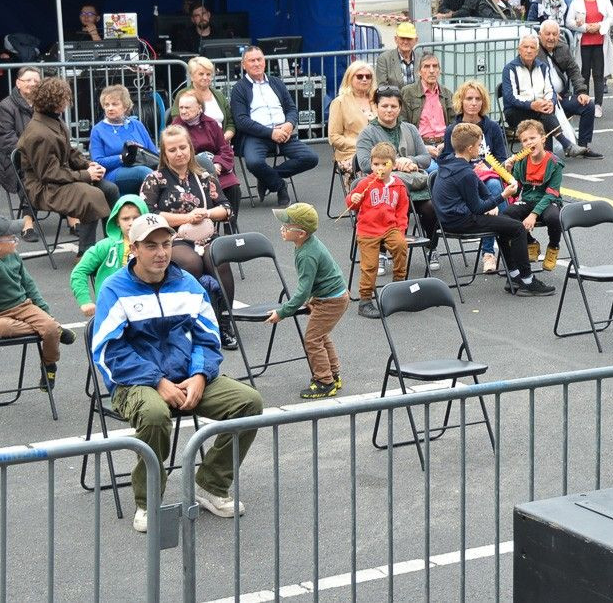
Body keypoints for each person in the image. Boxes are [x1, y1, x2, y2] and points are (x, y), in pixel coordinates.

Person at [92, 212, 264, 534]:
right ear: (134, 248)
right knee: (155, 414)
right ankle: (148, 501)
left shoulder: (187, 283)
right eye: (151, 246)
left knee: (249, 402)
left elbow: (208, 337)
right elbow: (109, 351)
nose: (161, 253)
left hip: (187, 375)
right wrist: (157, 382)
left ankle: (212, 485)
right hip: (134, 382)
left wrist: (199, 375)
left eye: (166, 244)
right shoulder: (114, 289)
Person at [139, 125, 236, 347]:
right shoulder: (154, 179)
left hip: (206, 235)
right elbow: (148, 214)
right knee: (192, 263)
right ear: (164, 154)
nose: (179, 153)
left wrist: (206, 213)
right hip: (172, 238)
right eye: (172, 150)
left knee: (218, 260)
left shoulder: (205, 176)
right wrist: (186, 218)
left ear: (191, 149)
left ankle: (224, 322)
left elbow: (227, 209)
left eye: (183, 147)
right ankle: (193, 320)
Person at [433, 123, 555, 297]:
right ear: (470, 148)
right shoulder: (465, 173)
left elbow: (480, 187)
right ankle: (527, 280)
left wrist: (493, 203)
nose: (480, 148)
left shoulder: (451, 162)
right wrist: (503, 196)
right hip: (459, 221)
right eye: (479, 145)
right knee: (517, 228)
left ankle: (514, 276)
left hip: (449, 218)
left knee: (505, 223)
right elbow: (477, 208)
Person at [0, 214, 77, 389]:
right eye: (12, 238)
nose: (16, 239)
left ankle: (48, 364)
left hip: (24, 306)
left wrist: (44, 310)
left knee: (49, 328)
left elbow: (28, 284)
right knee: (2, 329)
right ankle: (56, 329)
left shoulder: (14, 255)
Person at [17, 76, 120, 256]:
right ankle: (86, 254)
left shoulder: (53, 121)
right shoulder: (39, 133)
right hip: (44, 188)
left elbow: (69, 152)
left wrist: (90, 165)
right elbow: (49, 174)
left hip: (58, 180)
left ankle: (114, 244)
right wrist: (86, 175)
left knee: (110, 189)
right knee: (91, 195)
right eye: (64, 98)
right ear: (55, 102)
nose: (67, 102)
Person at [267, 202, 349, 399]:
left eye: (286, 226)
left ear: (301, 233)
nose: (282, 229)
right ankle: (333, 375)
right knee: (321, 336)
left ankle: (325, 382)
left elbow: (303, 290)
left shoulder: (307, 254)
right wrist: (313, 298)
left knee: (312, 340)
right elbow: (314, 281)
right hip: (330, 297)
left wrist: (283, 312)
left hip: (331, 301)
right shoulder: (306, 244)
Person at [354, 84, 440, 266]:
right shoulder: (367, 133)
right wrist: (394, 164)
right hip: (383, 187)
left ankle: (431, 248)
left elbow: (425, 158)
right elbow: (364, 164)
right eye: (384, 106)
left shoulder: (410, 129)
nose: (389, 110)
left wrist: (410, 160)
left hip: (413, 186)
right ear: (376, 107)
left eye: (393, 106)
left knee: (431, 208)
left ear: (400, 108)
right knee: (385, 207)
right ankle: (381, 252)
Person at [231, 45, 319, 206]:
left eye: (259, 59)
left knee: (311, 158)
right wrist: (270, 133)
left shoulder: (276, 82)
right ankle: (279, 186)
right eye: (252, 61)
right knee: (254, 162)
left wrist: (289, 124)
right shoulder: (239, 88)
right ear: (243, 65)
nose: (256, 63)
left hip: (284, 133)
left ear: (264, 61)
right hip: (257, 136)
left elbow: (291, 109)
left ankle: (267, 177)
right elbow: (241, 120)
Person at [440, 80, 510, 274]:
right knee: (493, 189)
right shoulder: (452, 129)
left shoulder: (492, 127)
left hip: (488, 174)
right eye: (469, 98)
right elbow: (446, 159)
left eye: (478, 99)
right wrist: (468, 168)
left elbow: (501, 158)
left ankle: (489, 251)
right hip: (463, 178)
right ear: (461, 101)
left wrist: (486, 166)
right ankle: (505, 243)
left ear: (483, 102)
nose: (473, 103)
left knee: (494, 185)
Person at [346, 142, 410, 319]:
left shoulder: (399, 186)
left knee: (400, 245)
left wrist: (400, 231)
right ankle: (365, 301)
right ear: (371, 164)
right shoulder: (365, 183)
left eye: (384, 164)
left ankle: (398, 287)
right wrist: (353, 198)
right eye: (376, 164)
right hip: (368, 229)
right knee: (370, 265)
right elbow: (351, 205)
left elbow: (402, 211)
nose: (379, 168)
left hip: (390, 227)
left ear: (393, 165)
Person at [70, 194, 148, 318]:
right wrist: (85, 301)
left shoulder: (157, 245)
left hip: (147, 306)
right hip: (113, 309)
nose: (131, 223)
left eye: (136, 218)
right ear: (117, 221)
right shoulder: (105, 246)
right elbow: (79, 271)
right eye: (125, 219)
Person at [500, 32, 577, 156]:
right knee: (544, 114)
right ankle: (564, 145)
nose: (529, 50)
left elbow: (550, 90)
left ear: (537, 52)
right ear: (519, 50)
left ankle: (550, 155)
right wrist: (531, 105)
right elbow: (510, 98)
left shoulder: (543, 67)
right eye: (525, 47)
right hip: (516, 111)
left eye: (532, 48)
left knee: (545, 112)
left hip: (539, 108)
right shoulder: (510, 69)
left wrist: (551, 102)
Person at [503, 119, 564, 273]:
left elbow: (551, 193)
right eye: (524, 140)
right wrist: (508, 172)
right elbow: (516, 190)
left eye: (532, 138)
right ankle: (530, 241)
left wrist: (533, 214)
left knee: (553, 217)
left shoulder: (555, 163)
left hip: (548, 201)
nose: (529, 142)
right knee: (508, 214)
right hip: (528, 200)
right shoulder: (521, 162)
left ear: (543, 139)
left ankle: (553, 246)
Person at [537, 20, 603, 159]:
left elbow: (573, 70)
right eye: (547, 34)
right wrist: (549, 94)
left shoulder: (563, 47)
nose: (551, 37)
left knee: (587, 105)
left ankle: (583, 147)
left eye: (554, 34)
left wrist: (581, 92)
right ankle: (549, 154)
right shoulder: (534, 50)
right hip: (543, 99)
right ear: (540, 35)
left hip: (563, 96)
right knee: (547, 110)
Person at [172, 93, 241, 217]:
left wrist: (218, 164)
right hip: (191, 170)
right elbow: (176, 155)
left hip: (216, 167)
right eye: (181, 107)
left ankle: (230, 224)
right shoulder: (176, 128)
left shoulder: (211, 123)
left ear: (199, 108)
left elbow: (225, 149)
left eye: (187, 108)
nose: (183, 111)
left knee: (233, 187)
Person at [0, 65, 41, 240]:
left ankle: (73, 219)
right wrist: (33, 153)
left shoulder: (45, 104)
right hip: (15, 160)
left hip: (42, 157)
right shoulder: (6, 106)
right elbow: (6, 139)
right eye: (28, 80)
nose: (32, 84)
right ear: (18, 83)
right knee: (32, 174)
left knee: (62, 170)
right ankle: (27, 224)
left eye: (36, 81)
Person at [90, 85, 158, 196]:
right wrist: (122, 158)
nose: (110, 108)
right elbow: (97, 161)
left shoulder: (137, 125)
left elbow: (153, 153)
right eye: (106, 105)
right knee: (144, 172)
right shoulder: (98, 130)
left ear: (125, 106)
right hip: (113, 172)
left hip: (142, 165)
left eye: (114, 104)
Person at [566, 0, 613, 116]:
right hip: (583, 43)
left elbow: (611, 18)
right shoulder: (576, 2)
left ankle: (598, 105)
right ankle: (584, 103)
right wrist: (585, 27)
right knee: (584, 74)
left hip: (600, 42)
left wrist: (599, 26)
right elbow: (569, 21)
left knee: (599, 75)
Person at [327, 61, 377, 191]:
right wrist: (362, 145)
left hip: (380, 151)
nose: (364, 79)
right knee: (371, 170)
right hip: (351, 153)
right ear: (350, 78)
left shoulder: (378, 100)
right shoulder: (339, 102)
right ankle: (364, 201)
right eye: (359, 76)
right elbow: (334, 137)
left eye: (368, 76)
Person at [401, 53, 455, 158]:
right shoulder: (408, 92)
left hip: (445, 145)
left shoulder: (447, 93)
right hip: (420, 146)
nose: (431, 70)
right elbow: (403, 124)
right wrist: (422, 147)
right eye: (426, 66)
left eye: (435, 66)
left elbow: (454, 123)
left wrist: (446, 143)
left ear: (439, 71)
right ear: (419, 72)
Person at [173, 56, 234, 142]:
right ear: (192, 76)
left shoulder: (219, 95)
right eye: (201, 74)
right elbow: (177, 124)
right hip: (194, 144)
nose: (205, 77)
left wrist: (224, 137)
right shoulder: (183, 95)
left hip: (221, 143)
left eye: (208, 74)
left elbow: (230, 123)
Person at [374, 22, 419, 89]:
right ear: (396, 39)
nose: (405, 42)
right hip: (394, 96)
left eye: (409, 38)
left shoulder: (421, 59)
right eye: (402, 38)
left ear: (416, 40)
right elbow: (382, 87)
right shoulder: (384, 59)